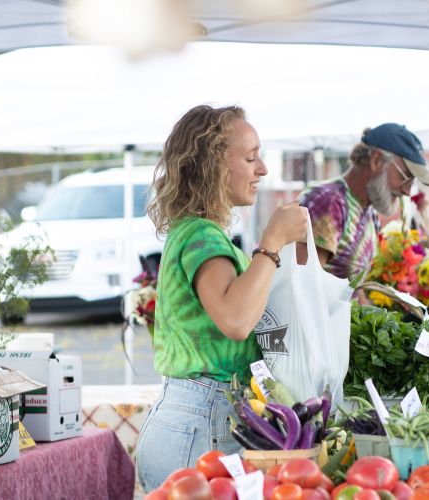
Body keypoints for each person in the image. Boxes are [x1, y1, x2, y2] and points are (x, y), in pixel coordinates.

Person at [136, 105, 308, 492]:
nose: (262, 169)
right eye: (250, 158)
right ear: (212, 165)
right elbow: (235, 320)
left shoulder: (199, 233)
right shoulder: (201, 236)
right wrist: (272, 243)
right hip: (201, 421)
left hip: (197, 419)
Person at [297, 123, 429, 280]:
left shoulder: (368, 211)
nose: (407, 191)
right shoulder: (328, 201)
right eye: (405, 177)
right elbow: (304, 284)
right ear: (376, 160)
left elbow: (355, 286)